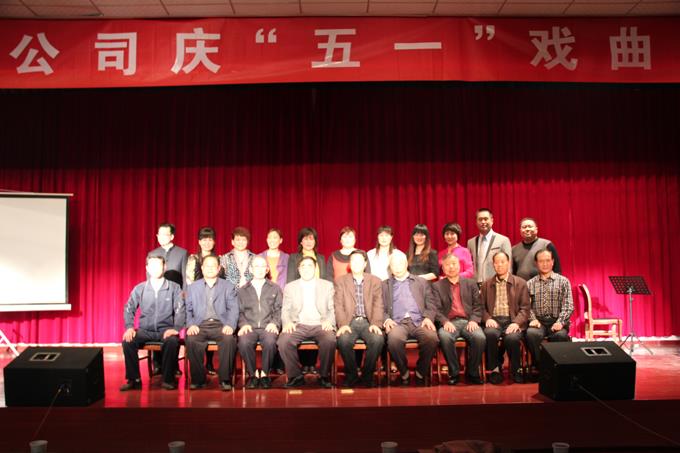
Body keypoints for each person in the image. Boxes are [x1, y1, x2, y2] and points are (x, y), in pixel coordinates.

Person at [120, 255, 184, 391]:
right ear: (147, 268)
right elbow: (129, 308)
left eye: (158, 265)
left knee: (172, 341)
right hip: (145, 330)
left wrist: (176, 328)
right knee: (127, 341)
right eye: (152, 266)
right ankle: (134, 379)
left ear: (164, 267)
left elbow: (180, 309)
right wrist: (129, 327)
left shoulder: (174, 287)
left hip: (166, 330)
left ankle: (168, 379)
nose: (155, 269)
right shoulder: (140, 288)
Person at [277, 256, 336, 388]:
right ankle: (295, 376)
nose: (306, 269)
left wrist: (329, 322)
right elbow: (285, 309)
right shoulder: (290, 287)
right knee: (283, 341)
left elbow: (332, 308)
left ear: (315, 268)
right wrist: (287, 323)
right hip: (298, 324)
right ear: (298, 269)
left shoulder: (327, 285)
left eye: (310, 266)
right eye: (303, 266)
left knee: (329, 340)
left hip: (320, 324)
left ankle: (324, 375)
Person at [383, 252, 439, 386]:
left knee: (432, 338)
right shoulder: (384, 285)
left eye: (400, 263)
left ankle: (421, 371)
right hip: (397, 323)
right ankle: (404, 371)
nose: (397, 267)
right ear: (390, 267)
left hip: (419, 321)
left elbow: (431, 304)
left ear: (406, 264)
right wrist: (387, 319)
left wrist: (428, 318)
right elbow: (379, 306)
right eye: (393, 264)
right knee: (394, 340)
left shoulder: (421, 282)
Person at [185, 255, 239, 391]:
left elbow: (233, 309)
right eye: (207, 266)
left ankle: (225, 379)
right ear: (202, 268)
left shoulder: (228, 286)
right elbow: (187, 310)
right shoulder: (192, 287)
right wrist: (191, 324)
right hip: (200, 324)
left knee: (228, 340)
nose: (210, 268)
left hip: (221, 324)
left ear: (219, 268)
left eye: (213, 265)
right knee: (191, 339)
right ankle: (198, 380)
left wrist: (230, 325)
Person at [334, 250, 384, 388]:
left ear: (365, 263)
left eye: (359, 261)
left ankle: (367, 375)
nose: (356, 263)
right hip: (349, 322)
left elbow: (378, 304)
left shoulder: (375, 281)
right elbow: (338, 305)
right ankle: (352, 375)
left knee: (377, 339)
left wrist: (375, 323)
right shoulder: (340, 281)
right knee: (343, 340)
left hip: (369, 321)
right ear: (349, 264)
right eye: (353, 260)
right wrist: (343, 324)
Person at [433, 254, 485, 385]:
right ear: (443, 268)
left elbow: (478, 306)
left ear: (459, 266)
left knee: (480, 337)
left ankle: (472, 372)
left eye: (454, 264)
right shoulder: (437, 286)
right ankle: (454, 373)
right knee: (445, 336)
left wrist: (474, 320)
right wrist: (445, 322)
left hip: (468, 321)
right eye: (447, 265)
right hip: (449, 322)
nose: (451, 267)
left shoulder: (471, 283)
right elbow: (436, 309)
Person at [481, 251, 530, 385]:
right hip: (494, 320)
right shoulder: (486, 285)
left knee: (512, 338)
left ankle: (516, 369)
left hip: (512, 320)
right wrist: (487, 318)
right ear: (493, 265)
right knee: (490, 334)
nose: (500, 265)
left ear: (508, 263)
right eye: (497, 262)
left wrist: (516, 323)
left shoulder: (520, 283)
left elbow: (525, 308)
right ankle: (495, 369)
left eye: (503, 262)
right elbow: (481, 307)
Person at [286, 226, 330, 373]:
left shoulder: (321, 258)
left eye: (311, 239)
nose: (309, 242)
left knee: (319, 328)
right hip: (299, 298)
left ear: (315, 241)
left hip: (318, 299)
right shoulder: (294, 257)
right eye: (305, 239)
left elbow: (325, 280)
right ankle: (304, 364)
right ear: (301, 241)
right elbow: (290, 279)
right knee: (301, 326)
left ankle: (313, 364)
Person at [525, 248, 573, 380]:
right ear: (536, 263)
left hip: (557, 320)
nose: (545, 264)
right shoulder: (530, 283)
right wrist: (532, 319)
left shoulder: (563, 281)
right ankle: (541, 367)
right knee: (531, 334)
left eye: (547, 260)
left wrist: (560, 322)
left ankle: (557, 368)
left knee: (560, 336)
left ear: (552, 262)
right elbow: (526, 306)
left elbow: (569, 305)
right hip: (538, 321)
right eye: (541, 261)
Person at [237, 255, 282, 389]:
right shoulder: (242, 290)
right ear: (251, 269)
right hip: (249, 327)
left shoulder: (275, 288)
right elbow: (238, 311)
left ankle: (265, 374)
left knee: (270, 342)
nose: (260, 269)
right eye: (256, 266)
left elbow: (280, 309)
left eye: (263, 266)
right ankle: (253, 375)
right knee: (244, 342)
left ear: (267, 269)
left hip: (268, 326)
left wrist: (274, 323)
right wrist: (243, 324)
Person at [467, 209, 512, 285]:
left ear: (492, 221)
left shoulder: (503, 240)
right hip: (475, 285)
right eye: (480, 219)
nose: (483, 222)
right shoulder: (471, 242)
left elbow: (508, 265)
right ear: (476, 222)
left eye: (485, 219)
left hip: (496, 284)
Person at [148, 222, 188, 288]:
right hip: (158, 292)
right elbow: (149, 278)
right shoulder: (152, 254)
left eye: (164, 235)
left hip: (177, 292)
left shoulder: (182, 253)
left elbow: (185, 277)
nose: (161, 237)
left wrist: (184, 293)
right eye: (159, 235)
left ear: (172, 237)